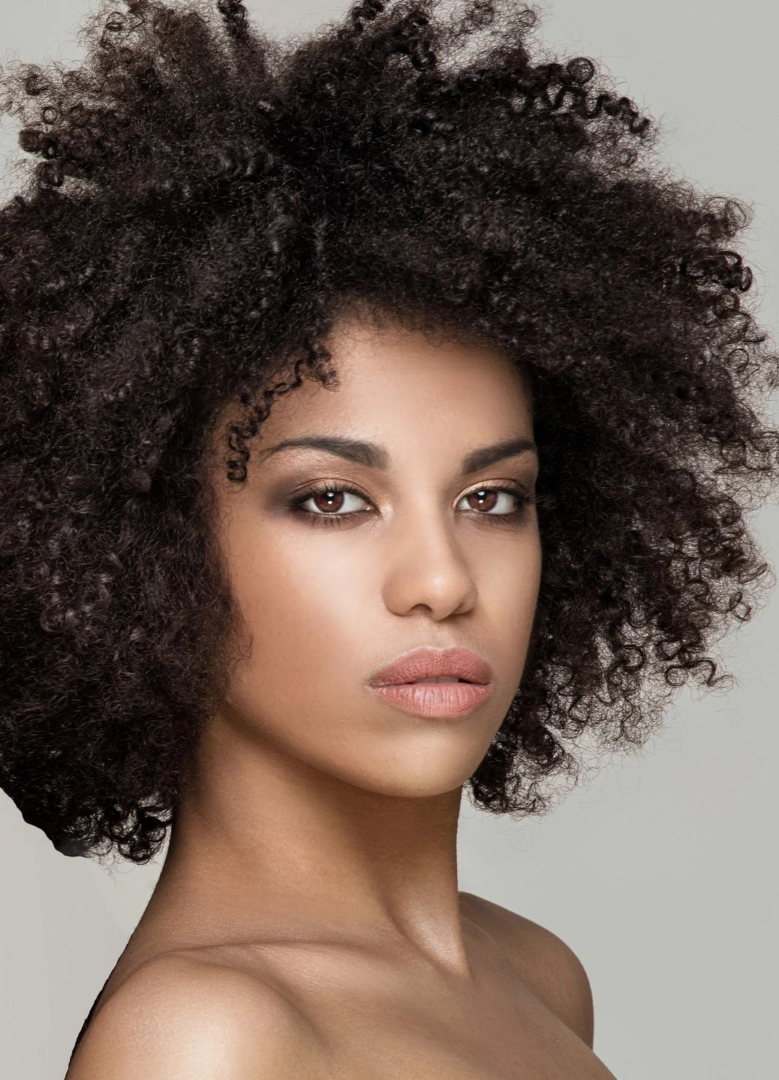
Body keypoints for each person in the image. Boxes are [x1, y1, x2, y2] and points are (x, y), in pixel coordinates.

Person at [0, 0, 776, 1076]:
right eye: (330, 499)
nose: (441, 581)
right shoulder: (206, 1042)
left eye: (492, 499)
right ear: (143, 550)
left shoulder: (536, 975)